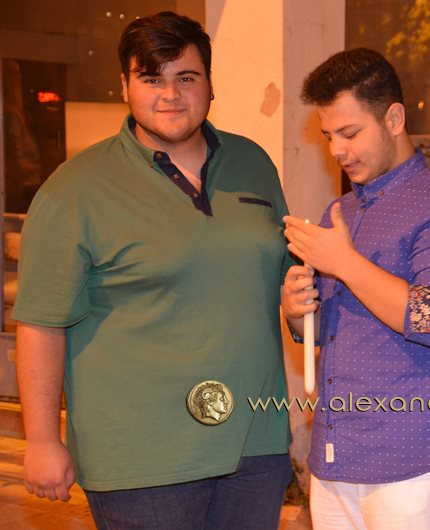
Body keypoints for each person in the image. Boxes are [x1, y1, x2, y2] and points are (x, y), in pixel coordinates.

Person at [14, 11, 292, 529]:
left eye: (186, 77)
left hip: (255, 444)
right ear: (125, 87)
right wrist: (44, 440)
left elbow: (284, 278)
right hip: (141, 458)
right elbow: (40, 323)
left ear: (210, 84)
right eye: (151, 79)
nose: (170, 95)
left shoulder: (252, 163)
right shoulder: (75, 189)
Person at [280, 48, 430, 530]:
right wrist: (297, 309)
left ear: (394, 118)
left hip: (412, 459)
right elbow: (328, 333)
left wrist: (346, 264)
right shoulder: (341, 211)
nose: (337, 150)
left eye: (350, 133)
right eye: (329, 136)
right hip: (335, 454)